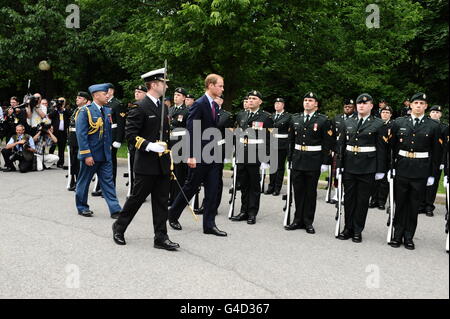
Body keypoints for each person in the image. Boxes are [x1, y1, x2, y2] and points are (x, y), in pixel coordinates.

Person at [113, 68, 180, 250]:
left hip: (162, 163)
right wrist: (149, 145)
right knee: (136, 198)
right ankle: (119, 227)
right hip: (146, 163)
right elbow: (131, 135)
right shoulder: (140, 107)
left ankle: (161, 237)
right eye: (164, 82)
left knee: (160, 201)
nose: (166, 86)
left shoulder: (163, 107)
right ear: (154, 84)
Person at [168, 74, 228, 236]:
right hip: (199, 155)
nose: (222, 89)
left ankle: (209, 225)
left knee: (213, 189)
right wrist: (192, 155)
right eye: (220, 86)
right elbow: (192, 130)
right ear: (210, 85)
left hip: (213, 155)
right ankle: (172, 214)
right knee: (191, 187)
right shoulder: (199, 104)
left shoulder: (215, 105)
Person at [388, 93, 442, 250]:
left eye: (421, 103)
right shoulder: (399, 122)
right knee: (401, 203)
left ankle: (409, 236)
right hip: (402, 167)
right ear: (410, 105)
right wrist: (391, 168)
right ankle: (397, 235)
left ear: (426, 106)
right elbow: (392, 148)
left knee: (413, 205)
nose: (418, 105)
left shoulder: (434, 126)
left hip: (421, 169)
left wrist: (432, 174)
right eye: (416, 102)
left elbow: (436, 153)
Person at [336, 93, 388, 243]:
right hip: (350, 166)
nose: (361, 105)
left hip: (368, 167)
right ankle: (347, 228)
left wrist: (380, 170)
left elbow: (382, 149)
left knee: (362, 200)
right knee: (349, 198)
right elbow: (341, 146)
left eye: (365, 103)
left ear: (371, 106)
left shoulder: (378, 124)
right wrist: (339, 166)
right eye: (359, 103)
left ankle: (358, 230)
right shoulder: (348, 122)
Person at [284, 92, 333, 233]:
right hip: (298, 158)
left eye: (310, 100)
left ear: (316, 104)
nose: (307, 102)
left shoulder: (323, 120)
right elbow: (291, 140)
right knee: (298, 191)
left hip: (313, 160)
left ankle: (308, 221)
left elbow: (327, 142)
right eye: (305, 100)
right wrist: (290, 158)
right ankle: (297, 220)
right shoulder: (295, 118)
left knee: (310, 193)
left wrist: (325, 162)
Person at [75, 83, 122, 218]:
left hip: (105, 154)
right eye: (104, 93)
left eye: (107, 93)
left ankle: (115, 209)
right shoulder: (85, 111)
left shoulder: (107, 111)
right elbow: (81, 135)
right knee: (84, 182)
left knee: (108, 182)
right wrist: (87, 154)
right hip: (91, 155)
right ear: (95, 95)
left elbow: (107, 134)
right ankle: (82, 206)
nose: (107, 95)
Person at [230, 90, 273, 225]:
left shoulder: (266, 117)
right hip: (242, 153)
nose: (251, 100)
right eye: (249, 98)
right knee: (243, 184)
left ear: (260, 101)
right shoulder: (241, 115)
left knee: (254, 186)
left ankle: (252, 213)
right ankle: (243, 211)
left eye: (254, 98)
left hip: (256, 154)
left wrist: (266, 158)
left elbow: (270, 139)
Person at [92, 83, 127, 196]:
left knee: (110, 163)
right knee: (101, 161)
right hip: (102, 135)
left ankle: (110, 188)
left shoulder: (117, 104)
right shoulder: (103, 103)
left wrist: (118, 140)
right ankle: (100, 186)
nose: (105, 93)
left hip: (112, 136)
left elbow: (121, 124)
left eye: (107, 91)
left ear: (111, 91)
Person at [418, 105, 448, 217]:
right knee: (421, 182)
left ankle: (429, 206)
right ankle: (420, 205)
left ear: (440, 114)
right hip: (424, 158)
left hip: (437, 160)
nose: (435, 114)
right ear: (429, 113)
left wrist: (442, 162)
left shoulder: (444, 127)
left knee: (433, 184)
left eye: (437, 112)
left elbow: (445, 146)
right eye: (433, 112)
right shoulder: (424, 125)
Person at [329, 98, 357, 204]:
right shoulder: (337, 118)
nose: (347, 108)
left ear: (353, 108)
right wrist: (332, 148)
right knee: (336, 173)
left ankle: (345, 195)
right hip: (338, 149)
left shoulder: (356, 119)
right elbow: (331, 135)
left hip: (350, 149)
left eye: (349, 107)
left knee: (347, 173)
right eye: (346, 107)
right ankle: (336, 195)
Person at [369, 105, 394, 210]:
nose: (385, 114)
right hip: (375, 155)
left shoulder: (393, 126)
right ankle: (373, 199)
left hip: (387, 156)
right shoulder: (375, 125)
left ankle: (381, 201)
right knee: (374, 179)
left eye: (387, 113)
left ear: (391, 115)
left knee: (384, 181)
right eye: (383, 112)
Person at [168, 87, 189, 207]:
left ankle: (177, 198)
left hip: (181, 144)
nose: (176, 97)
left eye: (179, 95)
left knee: (179, 173)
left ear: (184, 98)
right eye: (175, 95)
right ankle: (170, 197)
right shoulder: (170, 110)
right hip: (170, 143)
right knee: (170, 172)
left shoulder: (187, 111)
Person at [266, 98, 291, 196]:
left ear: (283, 105)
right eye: (275, 103)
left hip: (282, 144)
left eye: (279, 103)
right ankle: (270, 187)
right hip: (272, 143)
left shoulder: (288, 116)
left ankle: (277, 188)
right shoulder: (271, 116)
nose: (276, 105)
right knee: (272, 167)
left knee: (280, 167)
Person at [67, 92, 90, 191]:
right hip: (73, 140)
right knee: (73, 162)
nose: (77, 99)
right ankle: (74, 180)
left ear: (85, 100)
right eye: (76, 98)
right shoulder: (76, 110)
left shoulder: (87, 111)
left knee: (79, 163)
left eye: (79, 98)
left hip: (80, 140)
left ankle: (80, 183)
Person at [48, 97, 70, 168]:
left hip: (63, 132)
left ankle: (60, 162)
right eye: (59, 101)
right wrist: (56, 109)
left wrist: (63, 109)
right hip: (55, 131)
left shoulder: (66, 110)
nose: (60, 103)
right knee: (52, 146)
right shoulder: (54, 110)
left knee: (62, 148)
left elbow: (70, 114)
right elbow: (50, 116)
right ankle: (49, 161)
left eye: (62, 102)